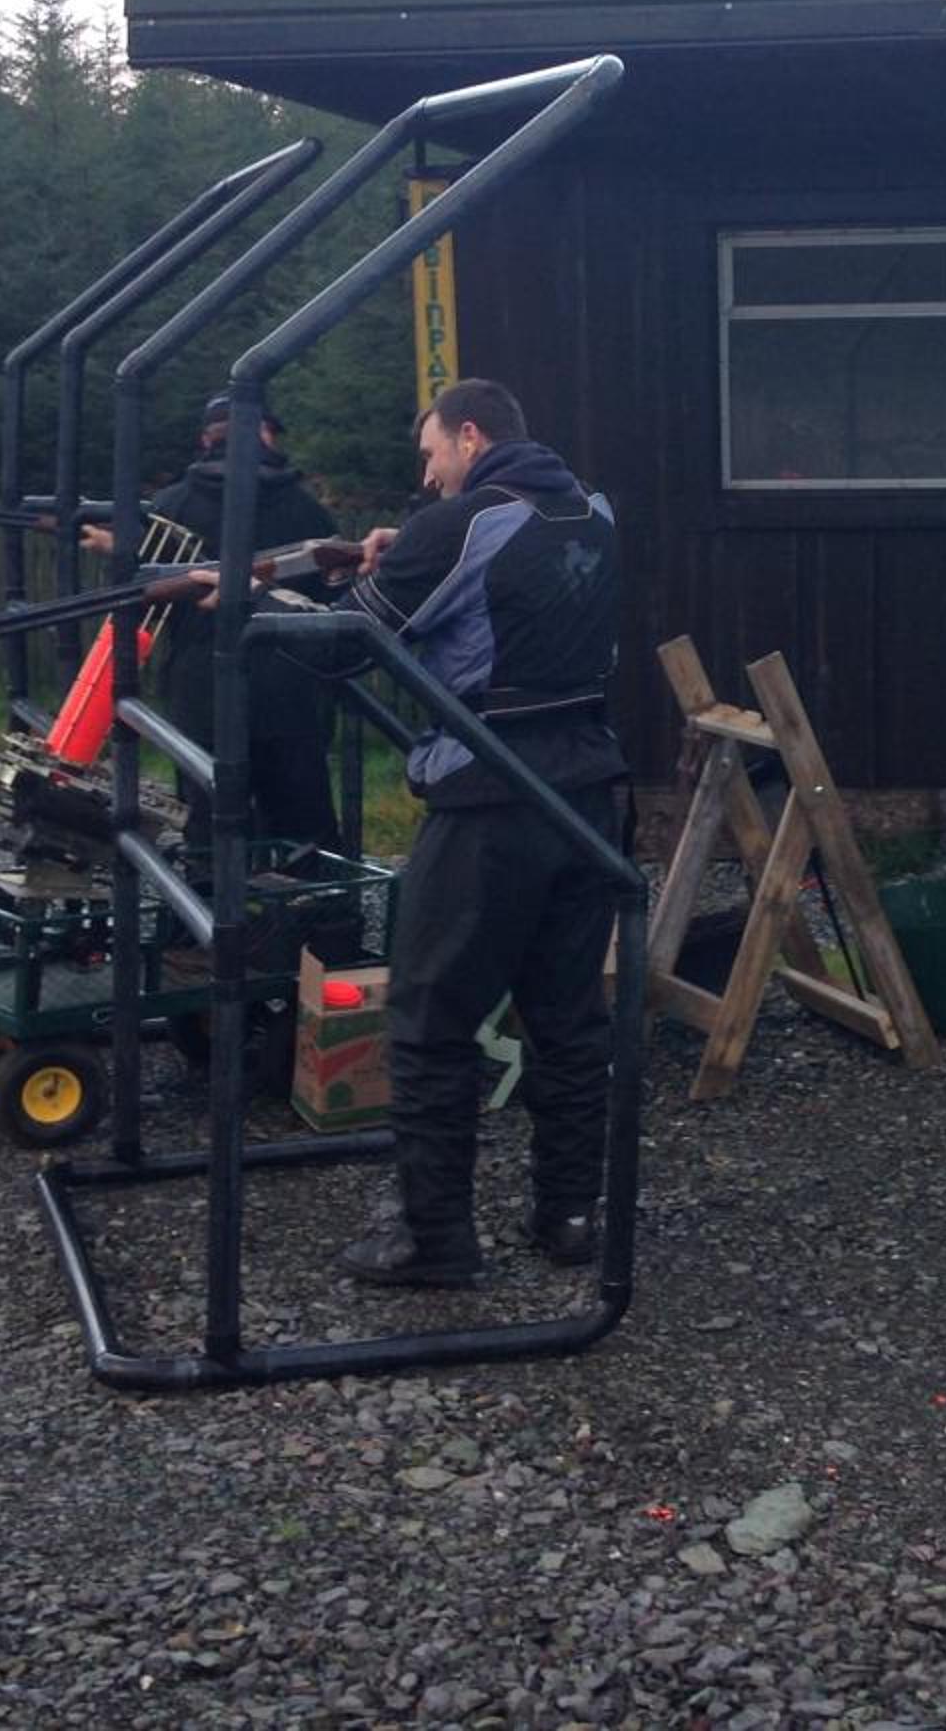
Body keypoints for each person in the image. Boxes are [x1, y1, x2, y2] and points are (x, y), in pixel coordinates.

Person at [333, 379, 626, 1289]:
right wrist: (406, 553)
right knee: (568, 1021)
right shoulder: (597, 513)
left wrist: (364, 574)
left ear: (471, 437)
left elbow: (350, 639)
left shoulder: (453, 526)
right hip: (589, 791)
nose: (428, 476)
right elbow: (512, 590)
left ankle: (436, 1240)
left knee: (430, 1019)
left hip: (490, 797)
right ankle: (569, 1216)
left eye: (432, 455)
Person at [90, 393, 343, 858]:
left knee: (209, 828)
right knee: (304, 831)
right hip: (291, 692)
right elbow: (329, 606)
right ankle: (317, 901)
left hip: (201, 689)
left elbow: (140, 602)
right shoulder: (307, 509)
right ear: (262, 434)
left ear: (207, 439)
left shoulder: (169, 506)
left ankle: (210, 900)